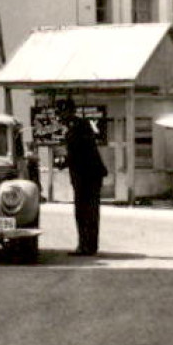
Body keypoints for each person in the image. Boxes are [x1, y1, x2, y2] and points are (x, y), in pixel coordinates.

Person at [59, 99, 106, 256]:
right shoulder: (77, 126)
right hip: (86, 175)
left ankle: (86, 246)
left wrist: (63, 162)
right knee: (87, 211)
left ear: (69, 112)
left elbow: (78, 153)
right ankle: (88, 245)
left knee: (85, 211)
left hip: (87, 176)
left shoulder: (77, 127)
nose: (60, 117)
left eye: (62, 112)